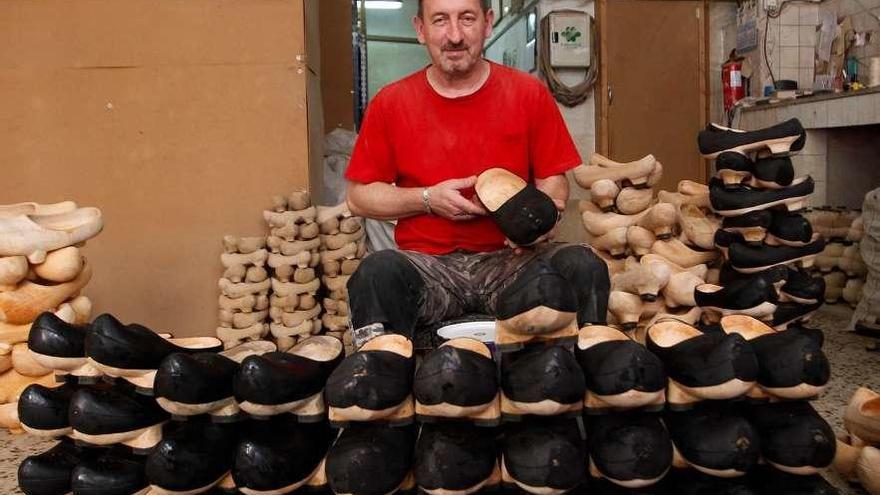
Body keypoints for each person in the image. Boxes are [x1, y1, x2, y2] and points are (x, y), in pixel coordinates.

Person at [344, 0, 609, 348]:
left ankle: (592, 368)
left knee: (583, 264)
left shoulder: (528, 94)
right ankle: (385, 374)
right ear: (420, 29)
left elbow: (553, 180)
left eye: (466, 19)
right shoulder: (391, 103)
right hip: (428, 267)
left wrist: (543, 217)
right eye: (440, 20)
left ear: (487, 23)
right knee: (375, 273)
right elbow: (358, 196)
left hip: (512, 262)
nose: (454, 35)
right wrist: (426, 199)